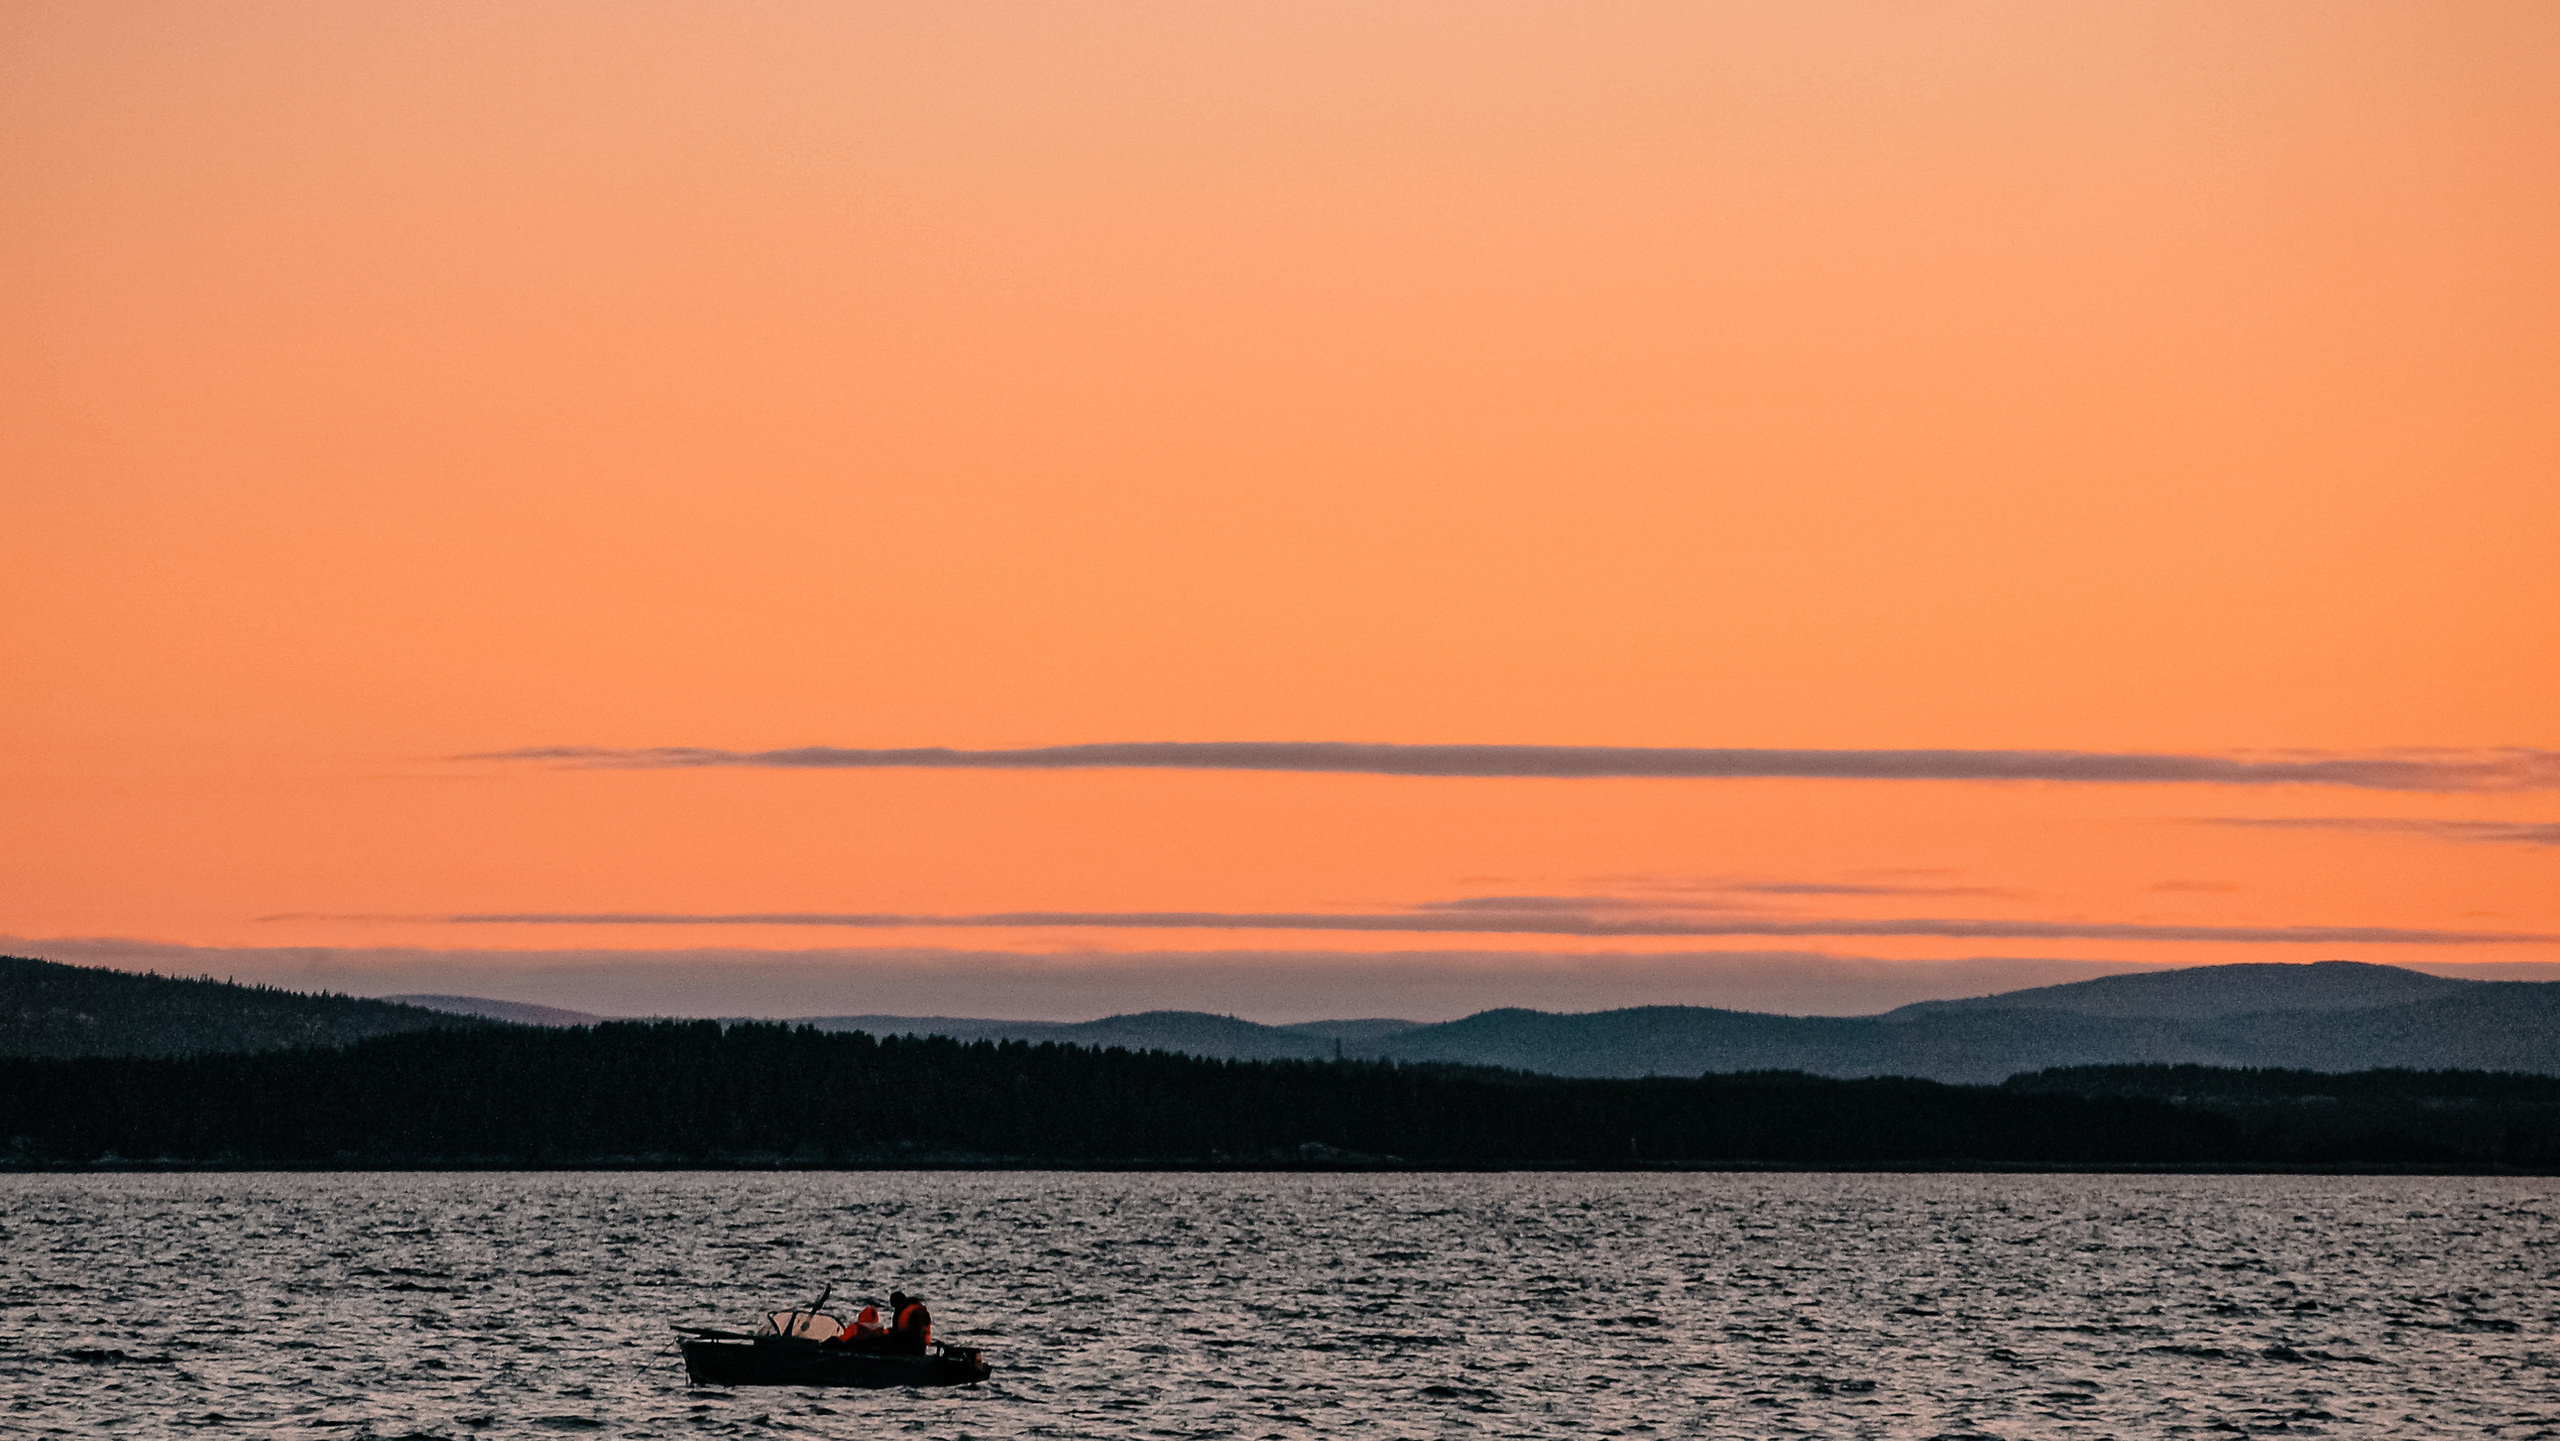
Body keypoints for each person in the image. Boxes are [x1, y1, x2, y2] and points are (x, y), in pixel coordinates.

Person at [889, 1289, 932, 1354]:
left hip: (911, 1347)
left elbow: (915, 1334)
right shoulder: (911, 1309)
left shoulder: (914, 1312)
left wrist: (896, 1336)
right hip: (912, 1344)